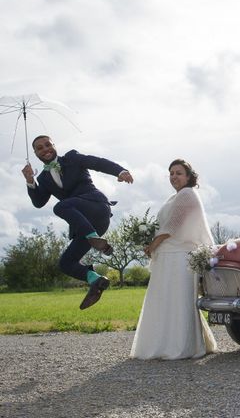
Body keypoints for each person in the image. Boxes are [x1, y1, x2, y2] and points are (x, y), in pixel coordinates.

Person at [21, 135, 133, 310]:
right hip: (83, 224)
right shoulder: (42, 178)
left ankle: (95, 239)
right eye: (40, 148)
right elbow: (39, 202)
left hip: (97, 207)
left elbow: (97, 162)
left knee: (60, 207)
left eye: (48, 145)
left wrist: (120, 171)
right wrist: (30, 180)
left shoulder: (72, 158)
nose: (45, 149)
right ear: (35, 153)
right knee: (65, 263)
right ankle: (96, 280)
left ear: (54, 145)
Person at [130, 159, 217, 360]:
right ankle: (163, 344)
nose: (174, 177)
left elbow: (172, 227)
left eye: (178, 173)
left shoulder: (187, 194)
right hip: (168, 255)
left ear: (188, 176)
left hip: (179, 258)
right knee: (164, 301)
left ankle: (180, 347)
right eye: (171, 173)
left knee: (177, 302)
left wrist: (152, 246)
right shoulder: (175, 197)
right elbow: (164, 226)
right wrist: (149, 241)